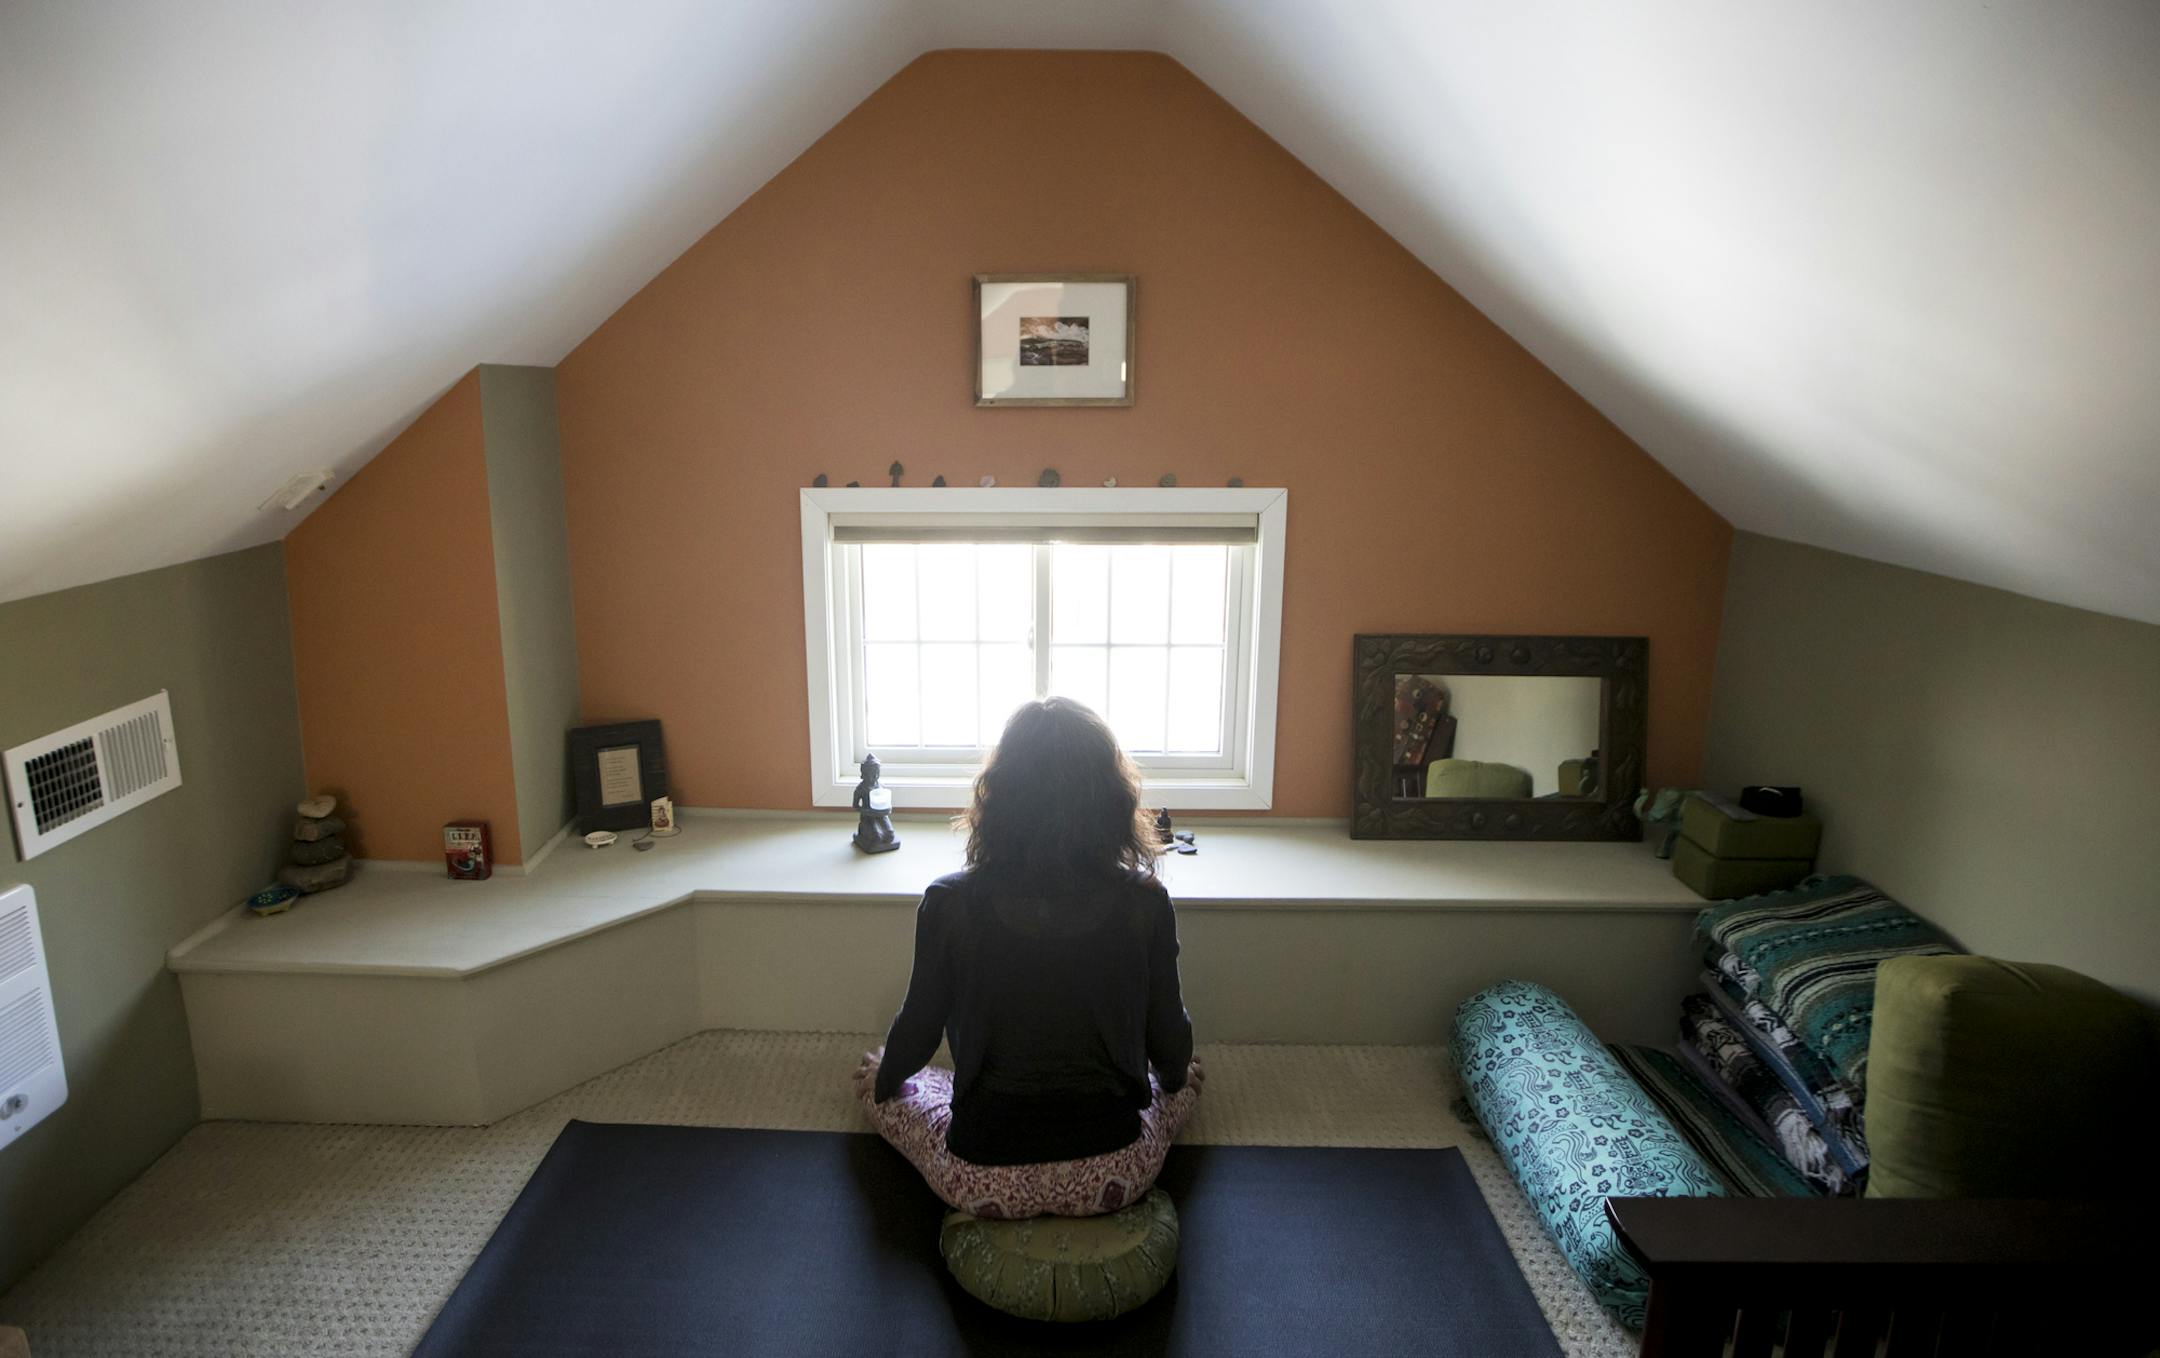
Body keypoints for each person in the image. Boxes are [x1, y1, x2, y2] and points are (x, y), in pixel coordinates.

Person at [854, 697, 1202, 1219]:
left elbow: (918, 1033)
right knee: (1180, 1078)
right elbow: (1169, 1039)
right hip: (1114, 1171)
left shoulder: (949, 903)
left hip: (979, 1176)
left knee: (894, 1078)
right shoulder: (1145, 901)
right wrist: (1177, 1085)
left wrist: (883, 1082)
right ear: (1111, 800)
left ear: (999, 800)